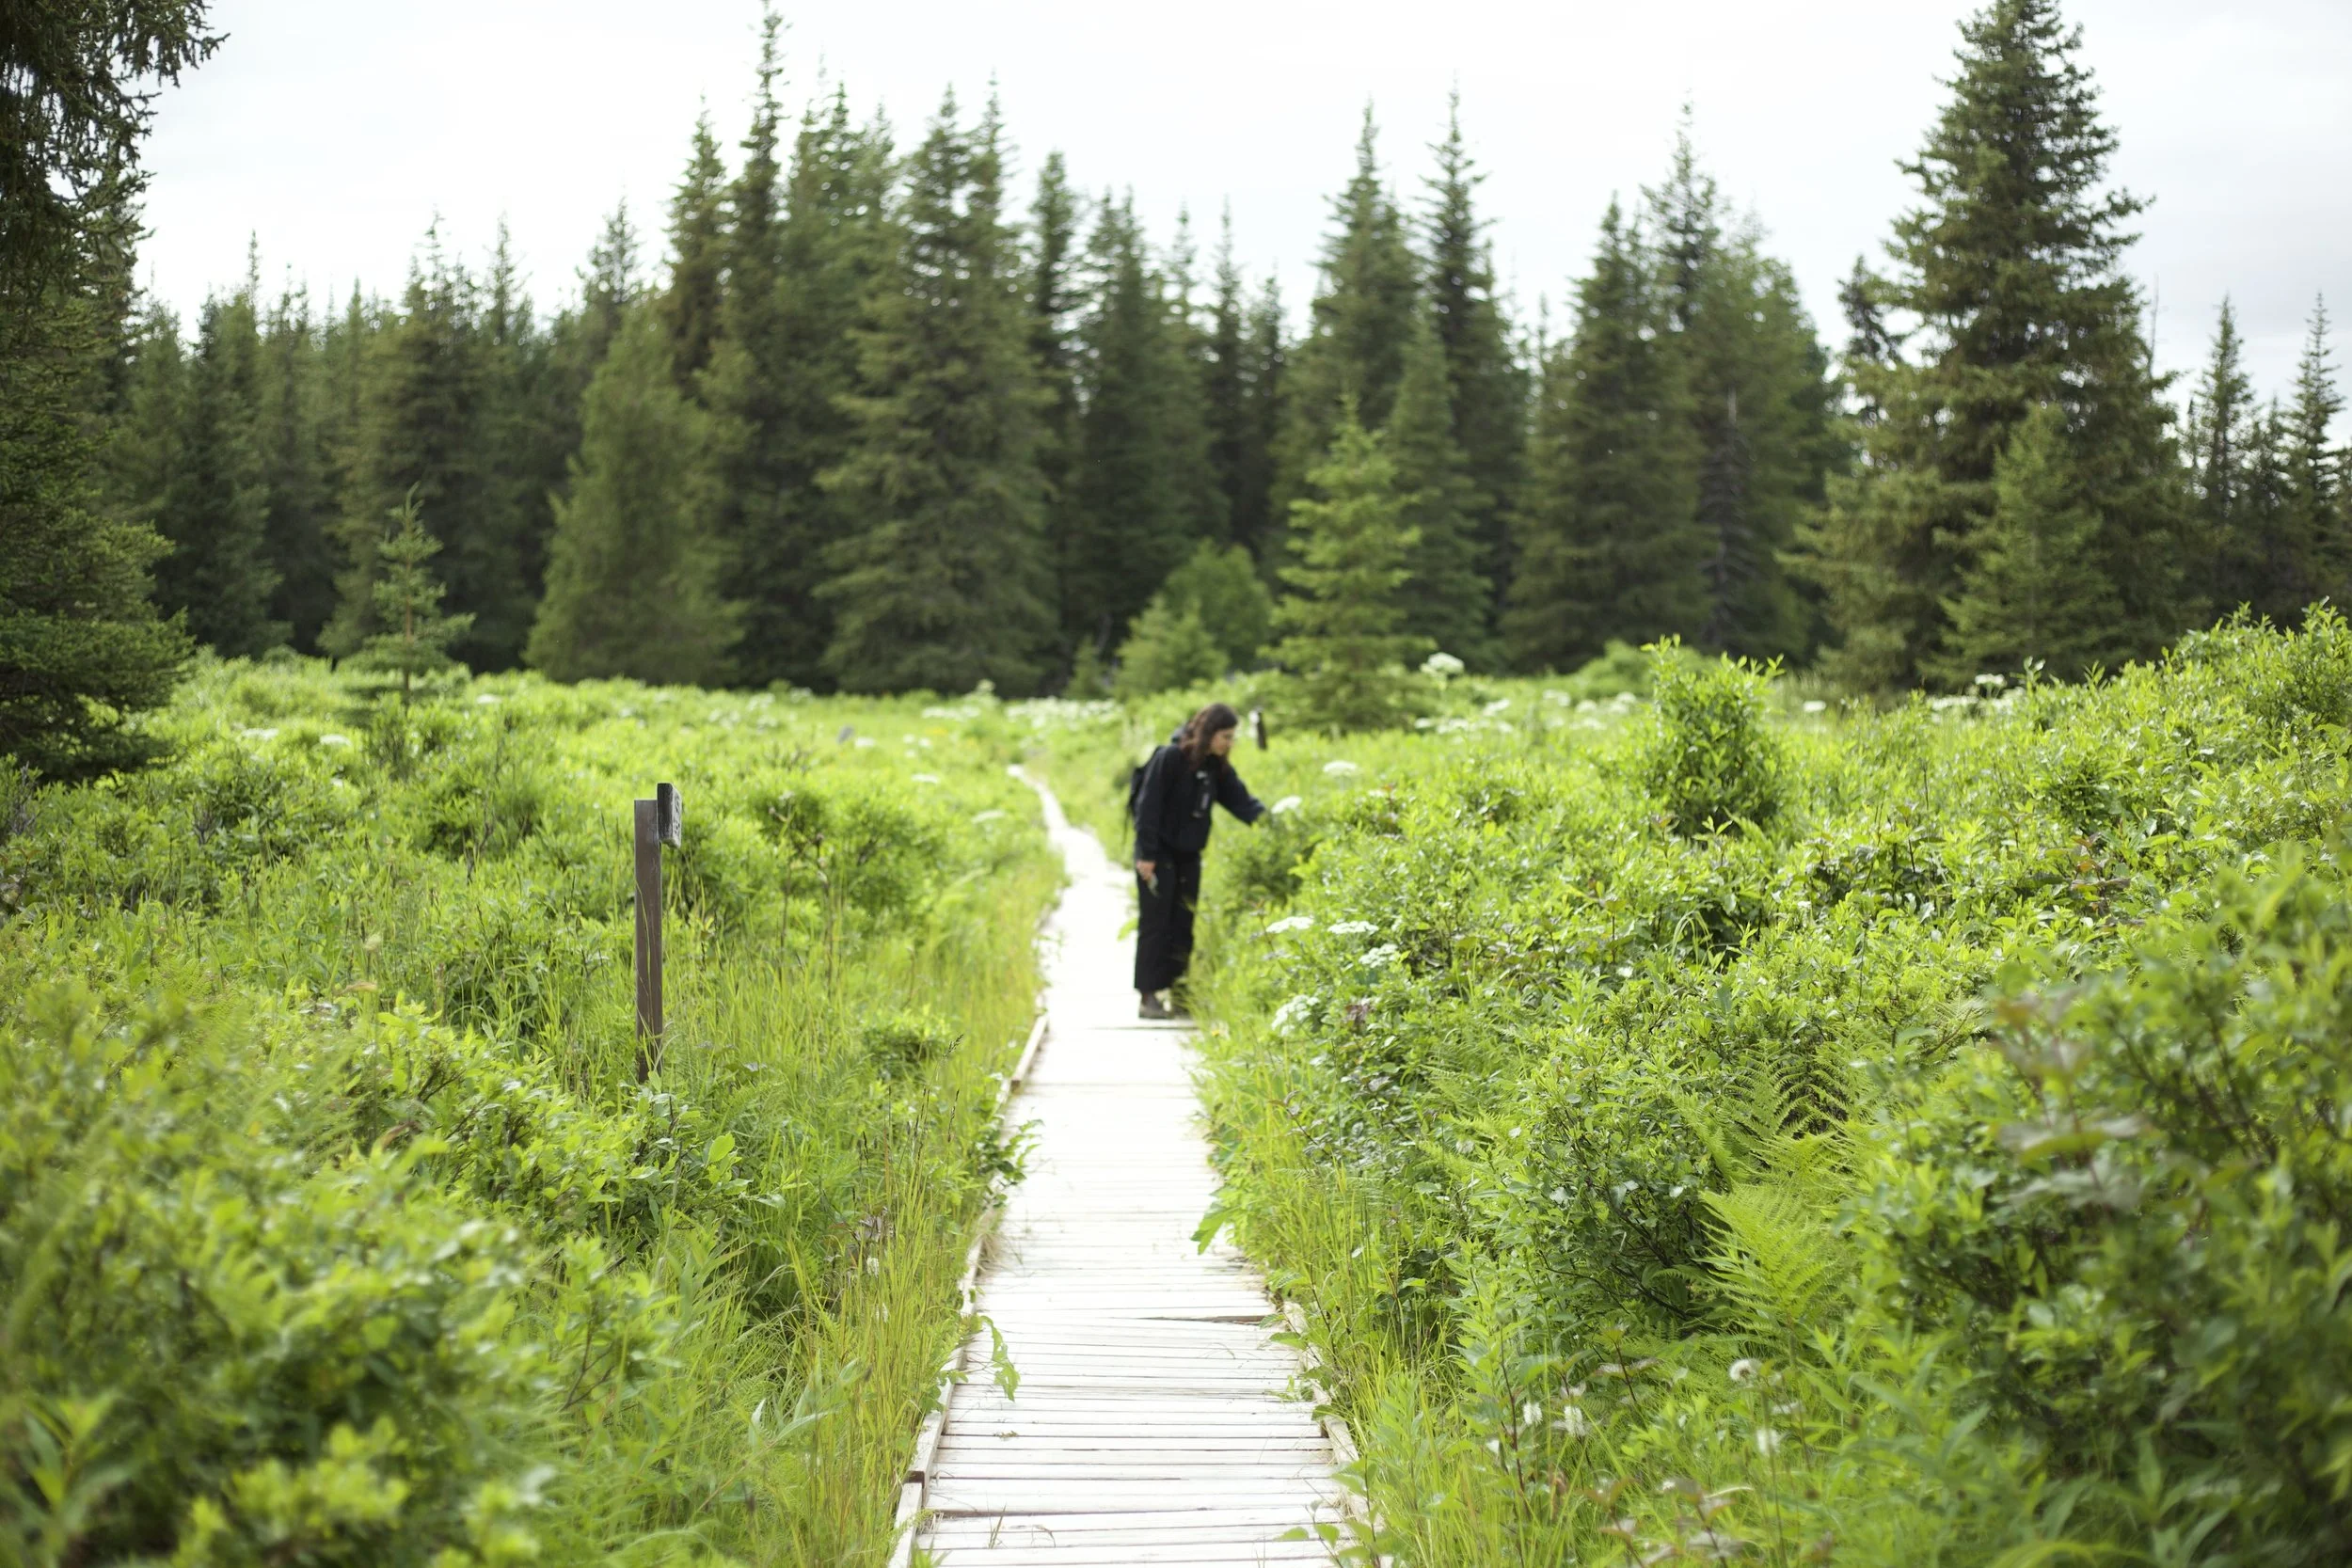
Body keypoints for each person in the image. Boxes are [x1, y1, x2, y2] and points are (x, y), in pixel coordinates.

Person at [1131, 701, 1264, 1020]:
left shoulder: (1214, 767)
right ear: (1209, 733)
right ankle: (1149, 997)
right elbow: (1147, 808)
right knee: (1155, 925)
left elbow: (1242, 802)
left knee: (1183, 924)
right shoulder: (1170, 758)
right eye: (1226, 736)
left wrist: (1274, 824)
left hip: (1189, 857)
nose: (1229, 743)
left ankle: (1180, 993)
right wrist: (1146, 855)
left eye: (1232, 738)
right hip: (1157, 856)